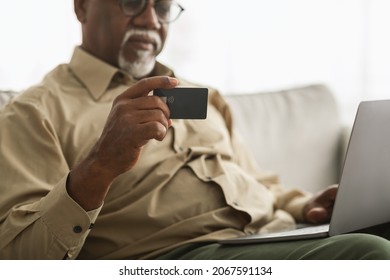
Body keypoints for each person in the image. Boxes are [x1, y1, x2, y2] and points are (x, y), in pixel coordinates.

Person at [1, 0, 390, 260]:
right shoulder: (34, 112)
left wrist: (304, 205)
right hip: (177, 257)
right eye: (133, 1)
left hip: (270, 236)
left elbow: (257, 182)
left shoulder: (203, 95)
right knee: (369, 254)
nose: (151, 19)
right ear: (82, 5)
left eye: (164, 7)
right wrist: (100, 166)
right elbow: (19, 256)